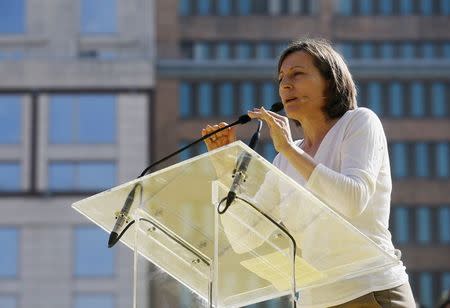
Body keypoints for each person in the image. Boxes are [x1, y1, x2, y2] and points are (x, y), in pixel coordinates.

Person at [201, 38, 415, 307]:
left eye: (297, 74)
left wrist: (290, 149)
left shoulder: (359, 122)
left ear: (330, 80)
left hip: (370, 290)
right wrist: (225, 167)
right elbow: (246, 238)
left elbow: (352, 200)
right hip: (315, 300)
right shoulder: (284, 159)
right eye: (281, 78)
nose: (285, 85)